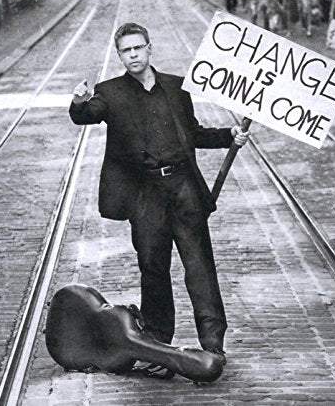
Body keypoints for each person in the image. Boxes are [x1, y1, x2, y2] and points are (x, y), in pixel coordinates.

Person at [69, 23, 249, 369]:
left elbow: (193, 133)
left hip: (183, 188)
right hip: (145, 192)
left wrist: (229, 135)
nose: (133, 55)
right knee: (152, 267)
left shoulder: (177, 87)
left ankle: (214, 343)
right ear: (119, 55)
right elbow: (85, 115)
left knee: (200, 266)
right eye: (126, 51)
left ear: (149, 48)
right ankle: (157, 344)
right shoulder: (109, 92)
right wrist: (79, 101)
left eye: (138, 47)